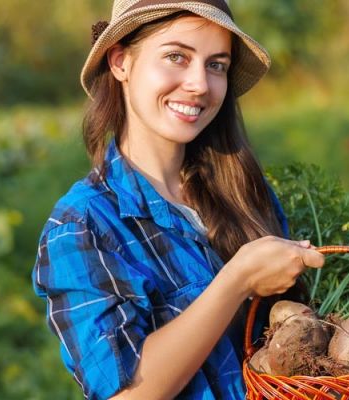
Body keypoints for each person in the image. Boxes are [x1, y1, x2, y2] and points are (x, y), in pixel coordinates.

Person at [32, 1, 325, 398]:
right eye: (176, 57)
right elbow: (128, 395)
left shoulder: (243, 191)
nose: (200, 84)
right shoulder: (84, 224)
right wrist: (237, 280)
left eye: (216, 65)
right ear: (120, 62)